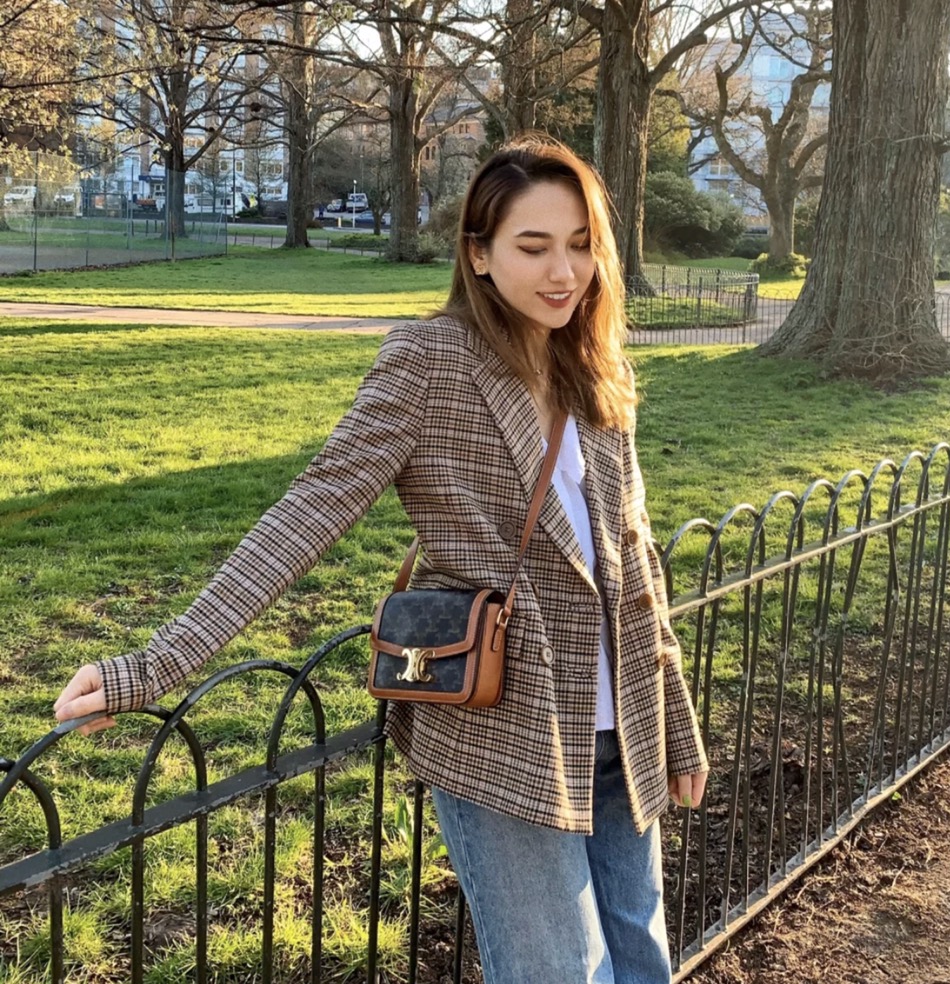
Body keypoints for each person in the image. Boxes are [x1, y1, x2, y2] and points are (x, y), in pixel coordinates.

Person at [54, 136, 709, 983]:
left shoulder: (594, 364)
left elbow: (635, 559)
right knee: (560, 972)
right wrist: (155, 666)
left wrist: (677, 722)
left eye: (581, 245)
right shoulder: (430, 361)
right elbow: (310, 511)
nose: (564, 272)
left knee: (642, 959)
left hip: (625, 724)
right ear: (479, 254)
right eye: (534, 246)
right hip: (506, 727)